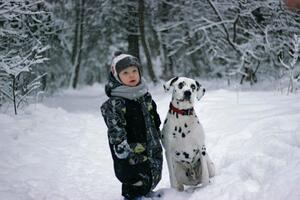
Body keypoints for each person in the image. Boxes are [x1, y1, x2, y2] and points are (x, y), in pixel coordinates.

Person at [101, 52, 163, 200]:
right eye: (126, 73)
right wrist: (122, 148)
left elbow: (154, 118)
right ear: (117, 76)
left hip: (151, 145)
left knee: (151, 173)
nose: (131, 75)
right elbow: (115, 130)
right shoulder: (116, 103)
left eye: (134, 71)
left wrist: (160, 132)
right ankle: (134, 196)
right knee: (135, 178)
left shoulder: (144, 96)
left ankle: (146, 192)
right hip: (131, 151)